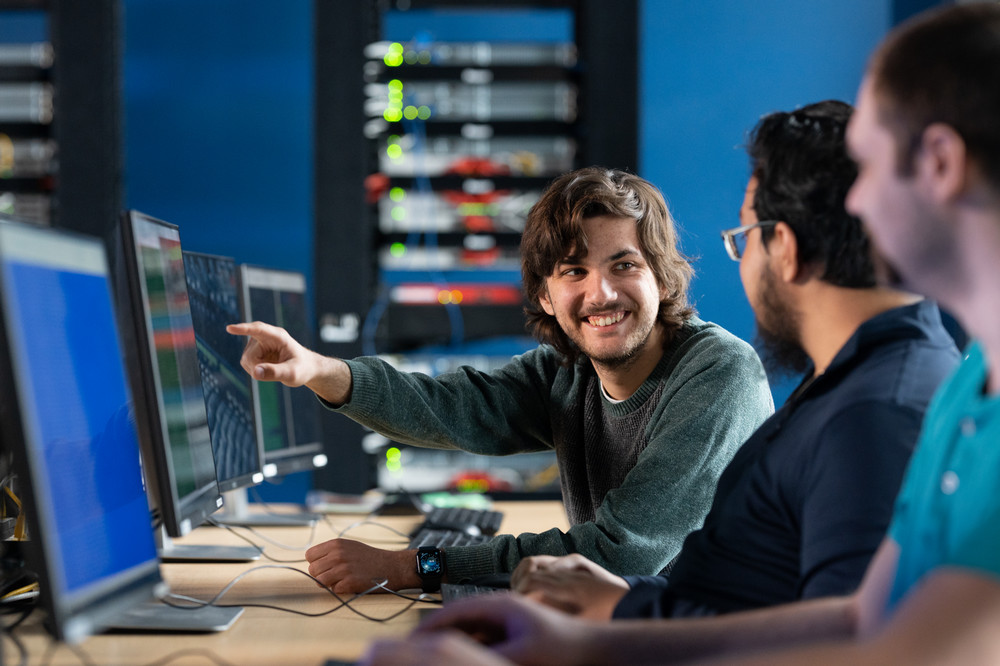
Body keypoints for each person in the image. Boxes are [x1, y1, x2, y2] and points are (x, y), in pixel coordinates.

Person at [358, 4, 1000, 664]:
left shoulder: (879, 409)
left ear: (941, 164)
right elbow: (859, 623)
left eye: (869, 164)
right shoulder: (960, 392)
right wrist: (598, 632)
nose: (854, 206)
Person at [509, 100, 959, 621]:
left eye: (742, 239)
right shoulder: (865, 382)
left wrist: (621, 615)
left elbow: (842, 647)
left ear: (784, 248)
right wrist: (624, 605)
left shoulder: (873, 416)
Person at [228, 167, 773, 594]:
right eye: (573, 271)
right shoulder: (570, 370)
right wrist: (322, 371)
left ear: (662, 272)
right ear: (544, 295)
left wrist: (418, 565)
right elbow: (453, 406)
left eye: (624, 266)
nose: (601, 293)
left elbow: (616, 555)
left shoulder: (718, 374)